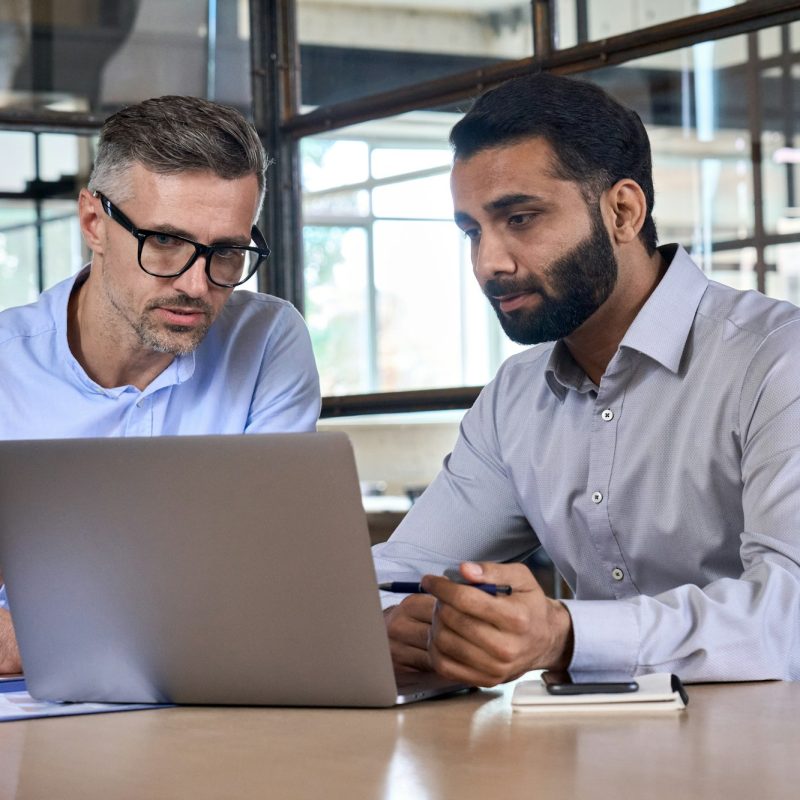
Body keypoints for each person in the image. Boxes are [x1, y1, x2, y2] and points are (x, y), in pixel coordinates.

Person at [374, 72, 800, 686]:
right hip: (599, 756)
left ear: (623, 211)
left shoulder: (775, 359)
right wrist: (397, 622)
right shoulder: (515, 398)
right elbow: (400, 570)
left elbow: (787, 614)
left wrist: (566, 634)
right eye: (472, 232)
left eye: (519, 218)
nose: (489, 262)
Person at [0, 95, 321, 672]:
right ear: (94, 224)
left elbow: (265, 580)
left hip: (209, 703)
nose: (198, 286)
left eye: (226, 251)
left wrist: (42, 630)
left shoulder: (269, 340)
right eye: (166, 242)